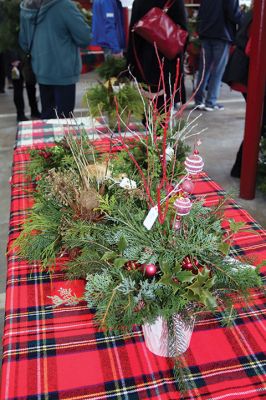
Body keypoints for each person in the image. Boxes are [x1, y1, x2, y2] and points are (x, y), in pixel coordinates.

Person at [19, 0, 91, 119]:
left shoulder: (27, 8)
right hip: (64, 72)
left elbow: (24, 42)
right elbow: (84, 38)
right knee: (64, 122)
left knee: (48, 117)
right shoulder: (65, 6)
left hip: (41, 70)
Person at [222, 7, 266, 178]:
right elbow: (253, 49)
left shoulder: (257, 9)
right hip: (248, 73)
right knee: (258, 124)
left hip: (246, 70)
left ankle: (241, 169)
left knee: (258, 123)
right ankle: (242, 169)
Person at [127, 0, 187, 112]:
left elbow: (133, 37)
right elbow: (183, 34)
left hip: (144, 63)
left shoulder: (139, 2)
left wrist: (130, 67)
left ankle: (148, 125)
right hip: (169, 63)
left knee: (146, 111)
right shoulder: (175, 2)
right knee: (165, 111)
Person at [194, 0, 242, 111]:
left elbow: (201, 13)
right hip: (222, 35)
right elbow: (234, 14)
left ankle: (198, 100)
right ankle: (210, 102)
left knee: (204, 69)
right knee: (217, 71)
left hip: (206, 33)